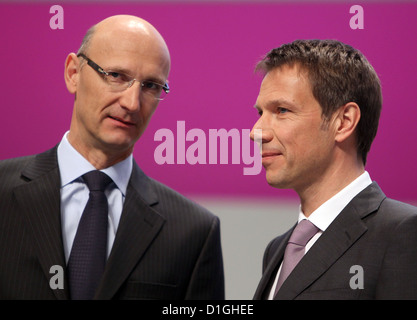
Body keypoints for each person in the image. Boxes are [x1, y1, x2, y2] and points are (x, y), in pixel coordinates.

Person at [0, 15, 224, 300]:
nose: (132, 103)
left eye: (151, 86)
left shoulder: (193, 233)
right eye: (116, 76)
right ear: (73, 73)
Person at [251, 39, 417, 300]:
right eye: (260, 112)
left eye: (281, 110)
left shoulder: (404, 234)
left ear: (344, 122)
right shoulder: (277, 250)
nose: (256, 132)